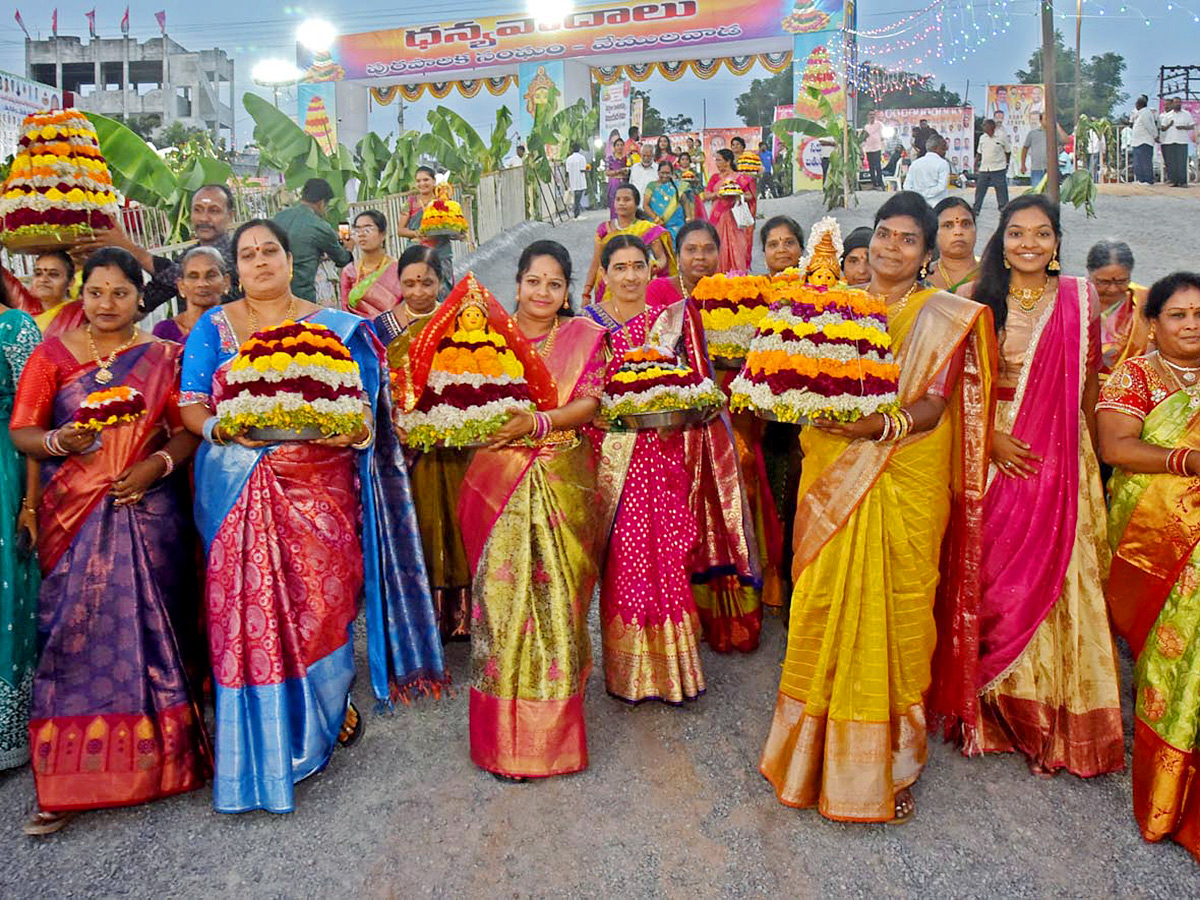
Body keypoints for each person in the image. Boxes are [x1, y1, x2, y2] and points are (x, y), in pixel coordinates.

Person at [179, 219, 446, 814]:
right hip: (234, 486)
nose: (259, 261)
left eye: (269, 249)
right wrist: (223, 430)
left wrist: (355, 431)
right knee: (246, 619)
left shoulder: (335, 325)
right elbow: (191, 404)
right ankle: (260, 745)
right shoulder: (213, 327)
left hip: (320, 487)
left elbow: (361, 404)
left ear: (288, 258)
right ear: (236, 268)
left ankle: (327, 708)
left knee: (323, 606)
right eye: (247, 255)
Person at [761, 192, 996, 823]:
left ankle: (887, 765)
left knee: (898, 613)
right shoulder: (836, 307)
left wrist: (878, 427)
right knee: (822, 603)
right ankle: (806, 757)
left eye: (907, 239)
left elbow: (937, 405)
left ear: (925, 254)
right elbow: (798, 382)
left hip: (903, 473)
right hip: (832, 467)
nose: (892, 247)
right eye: (885, 235)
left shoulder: (941, 315)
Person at [12, 247, 208, 835]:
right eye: (95, 291)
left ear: (138, 297)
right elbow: (24, 430)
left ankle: (167, 765)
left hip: (150, 516)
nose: (106, 304)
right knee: (69, 636)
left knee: (159, 634)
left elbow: (184, 434)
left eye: (120, 293)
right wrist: (58, 443)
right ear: (81, 292)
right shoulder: (50, 355)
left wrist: (156, 469)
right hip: (72, 515)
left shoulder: (163, 356)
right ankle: (62, 786)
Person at [963, 194, 1123, 778]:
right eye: (1016, 233)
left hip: (1061, 454)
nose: (1029, 244)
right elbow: (959, 394)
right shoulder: (973, 300)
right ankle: (994, 702)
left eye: (1042, 234)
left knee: (1063, 578)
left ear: (1057, 243)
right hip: (993, 447)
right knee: (992, 576)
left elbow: (1086, 389)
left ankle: (1058, 708)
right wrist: (989, 443)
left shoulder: (1081, 302)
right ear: (1000, 242)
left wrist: (1080, 456)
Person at [459, 241, 607, 781]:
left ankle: (550, 743)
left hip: (561, 480)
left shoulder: (585, 338)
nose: (543, 292)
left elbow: (589, 403)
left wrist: (538, 425)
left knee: (557, 609)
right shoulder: (485, 340)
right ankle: (500, 742)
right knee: (499, 609)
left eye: (554, 283)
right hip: (495, 480)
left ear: (566, 291)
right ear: (516, 284)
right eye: (533, 281)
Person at [1098, 271, 1200, 864]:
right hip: (1155, 543)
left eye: (1198, 315)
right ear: (1154, 323)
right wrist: (1189, 458)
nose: (1190, 326)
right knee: (1170, 664)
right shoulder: (1136, 375)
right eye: (1178, 316)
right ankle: (1166, 796)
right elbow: (1116, 448)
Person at [628, 222, 762, 654]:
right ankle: (674, 614)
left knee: (723, 504)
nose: (699, 257)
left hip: (718, 415)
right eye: (691, 249)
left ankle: (721, 613)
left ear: (720, 253)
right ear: (677, 253)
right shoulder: (659, 294)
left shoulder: (732, 289)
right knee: (674, 513)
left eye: (708, 249)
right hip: (669, 422)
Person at [585, 235, 707, 702]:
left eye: (640, 266)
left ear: (651, 271)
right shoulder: (588, 325)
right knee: (624, 558)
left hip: (662, 450)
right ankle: (628, 673)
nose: (631, 276)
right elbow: (580, 387)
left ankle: (674, 670)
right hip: (610, 453)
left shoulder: (671, 319)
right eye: (620, 267)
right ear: (605, 275)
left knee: (668, 554)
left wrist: (677, 410)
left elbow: (696, 383)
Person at [383, 245, 472, 638]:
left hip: (453, 439)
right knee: (416, 522)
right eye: (410, 283)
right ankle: (421, 616)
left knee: (457, 519)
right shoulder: (381, 327)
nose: (418, 291)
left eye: (427, 282)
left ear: (441, 282)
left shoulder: (456, 322)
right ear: (398, 283)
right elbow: (373, 384)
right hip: (403, 443)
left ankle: (463, 614)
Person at [76, 183, 240, 313]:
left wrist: (128, 246)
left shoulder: (239, 254)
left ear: (230, 216)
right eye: (198, 210)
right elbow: (148, 300)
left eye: (214, 211)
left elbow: (178, 275)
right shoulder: (187, 256)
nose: (204, 218)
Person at [0, 279, 40, 776]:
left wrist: (30, 502)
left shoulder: (15, 327)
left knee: (10, 589)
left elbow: (35, 415)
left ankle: (11, 731)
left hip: (7, 472)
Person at [582, 183, 672, 305]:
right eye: (618, 199)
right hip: (607, 288)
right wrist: (586, 293)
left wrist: (653, 266)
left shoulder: (648, 229)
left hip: (637, 284)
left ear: (636, 204)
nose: (621, 203)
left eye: (627, 199)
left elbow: (662, 258)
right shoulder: (603, 230)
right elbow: (596, 263)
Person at [272, 177, 354, 302]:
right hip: (302, 295)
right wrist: (349, 248)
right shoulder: (320, 226)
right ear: (321, 203)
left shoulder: (278, 217)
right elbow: (342, 259)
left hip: (275, 292)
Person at [1090, 240, 1153, 379]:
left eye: (1121, 281)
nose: (1112, 289)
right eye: (1104, 282)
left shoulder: (1146, 302)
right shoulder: (1072, 300)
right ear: (1090, 274)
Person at [397, 166, 457, 296]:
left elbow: (454, 225)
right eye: (418, 181)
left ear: (434, 182)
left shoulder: (443, 201)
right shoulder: (410, 203)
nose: (422, 184)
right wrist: (417, 233)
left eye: (426, 180)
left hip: (440, 252)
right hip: (417, 254)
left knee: (443, 290)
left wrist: (453, 231)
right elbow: (400, 230)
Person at [152, 246, 230, 343]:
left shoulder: (239, 324)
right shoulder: (165, 332)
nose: (202, 283)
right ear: (181, 286)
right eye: (193, 277)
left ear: (226, 282)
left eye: (211, 275)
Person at [340, 210, 400, 318]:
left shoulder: (397, 269)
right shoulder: (349, 271)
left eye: (368, 229)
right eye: (358, 230)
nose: (362, 234)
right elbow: (346, 312)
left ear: (383, 234)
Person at [702, 149, 755, 272]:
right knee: (718, 244)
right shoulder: (715, 178)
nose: (717, 163)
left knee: (736, 245)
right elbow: (706, 195)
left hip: (734, 216)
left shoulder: (739, 178)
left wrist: (737, 195)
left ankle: (737, 274)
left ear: (728, 161)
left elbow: (749, 195)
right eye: (716, 160)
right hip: (718, 217)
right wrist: (718, 195)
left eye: (719, 160)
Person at [29, 251, 86, 339]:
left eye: (53, 274)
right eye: (38, 273)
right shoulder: (25, 316)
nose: (43, 279)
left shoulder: (80, 313)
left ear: (71, 282)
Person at [929, 198, 979, 294]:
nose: (958, 232)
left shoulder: (992, 274)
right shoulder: (923, 280)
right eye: (948, 226)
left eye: (966, 224)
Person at [644, 160, 691, 245]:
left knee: (676, 248)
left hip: (676, 225)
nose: (665, 176)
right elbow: (645, 205)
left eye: (667, 173)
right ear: (658, 172)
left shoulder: (677, 186)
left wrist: (688, 219)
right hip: (657, 225)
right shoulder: (652, 185)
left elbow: (685, 202)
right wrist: (657, 219)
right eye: (662, 173)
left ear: (672, 173)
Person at [973, 119, 1010, 216]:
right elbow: (979, 152)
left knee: (1001, 190)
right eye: (984, 126)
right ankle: (976, 209)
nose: (984, 128)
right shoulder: (982, 138)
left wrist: (1007, 164)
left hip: (998, 167)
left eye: (986, 126)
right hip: (985, 168)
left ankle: (1004, 209)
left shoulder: (1001, 136)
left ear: (992, 127)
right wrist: (976, 163)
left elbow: (1008, 151)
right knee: (980, 189)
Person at [903, 134, 951, 204]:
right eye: (943, 148)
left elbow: (906, 185)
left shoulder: (915, 163)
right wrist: (926, 193)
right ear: (935, 148)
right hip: (937, 203)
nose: (945, 152)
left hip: (919, 204)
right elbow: (942, 186)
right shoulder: (942, 163)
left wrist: (918, 195)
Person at [1160, 98, 1195, 188]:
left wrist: (1183, 127)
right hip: (1170, 140)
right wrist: (1169, 125)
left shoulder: (1186, 114)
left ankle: (1183, 182)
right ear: (1172, 104)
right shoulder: (1168, 115)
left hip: (1182, 140)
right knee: (1172, 163)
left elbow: (1191, 126)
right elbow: (1163, 128)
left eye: (1179, 102)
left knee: (1182, 162)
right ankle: (1174, 181)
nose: (1177, 104)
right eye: (1175, 102)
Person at [1131, 95, 1159, 185]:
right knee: (1138, 162)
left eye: (1136, 103)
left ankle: (1148, 180)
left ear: (1140, 104)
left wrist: (1155, 136)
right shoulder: (1140, 113)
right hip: (1138, 141)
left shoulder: (1146, 113)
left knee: (1145, 161)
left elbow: (1150, 126)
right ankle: (1141, 179)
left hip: (1144, 141)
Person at [605, 137, 631, 217]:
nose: (619, 147)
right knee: (615, 205)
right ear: (614, 147)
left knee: (626, 204)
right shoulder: (610, 159)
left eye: (621, 145)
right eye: (617, 145)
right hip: (614, 184)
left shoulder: (627, 158)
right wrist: (619, 171)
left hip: (625, 184)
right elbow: (607, 172)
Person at [862, 111, 885, 189]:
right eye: (870, 115)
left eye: (873, 115)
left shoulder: (879, 124)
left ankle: (880, 182)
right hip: (868, 148)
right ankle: (874, 183)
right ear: (867, 116)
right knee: (871, 167)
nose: (871, 116)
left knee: (878, 166)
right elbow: (864, 137)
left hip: (877, 148)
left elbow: (883, 136)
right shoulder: (866, 127)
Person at [565, 142, 589, 218]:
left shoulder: (569, 159)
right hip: (580, 181)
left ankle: (576, 212)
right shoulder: (582, 158)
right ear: (579, 149)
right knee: (578, 198)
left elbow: (567, 170)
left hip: (572, 180)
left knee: (575, 197)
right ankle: (576, 213)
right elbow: (582, 169)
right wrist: (587, 170)